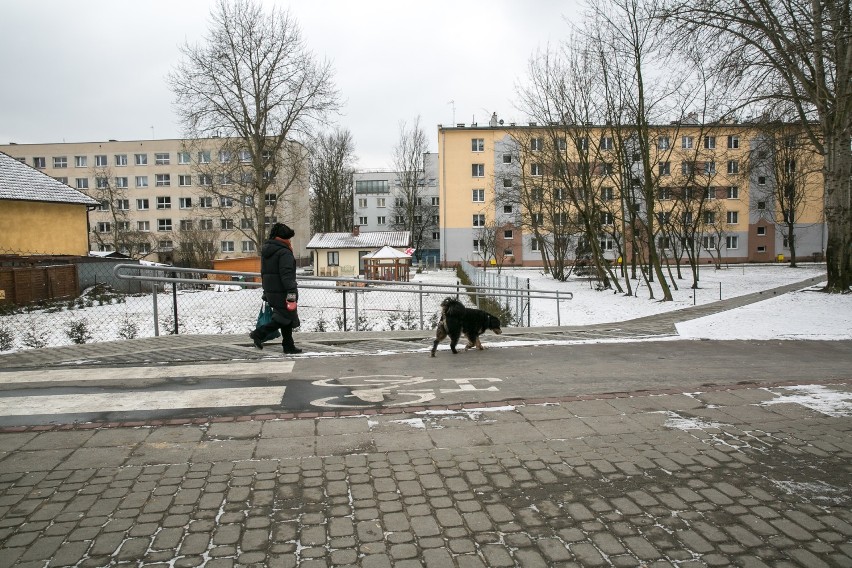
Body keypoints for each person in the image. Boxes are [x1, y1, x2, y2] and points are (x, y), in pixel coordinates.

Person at [250, 222, 302, 354]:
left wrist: (266, 291)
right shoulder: (284, 252)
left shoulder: (268, 250)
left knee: (287, 317)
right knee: (283, 318)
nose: (290, 241)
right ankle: (259, 334)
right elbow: (287, 275)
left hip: (272, 290)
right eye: (289, 238)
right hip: (283, 291)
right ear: (284, 238)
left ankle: (288, 346)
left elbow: (264, 273)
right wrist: (292, 292)